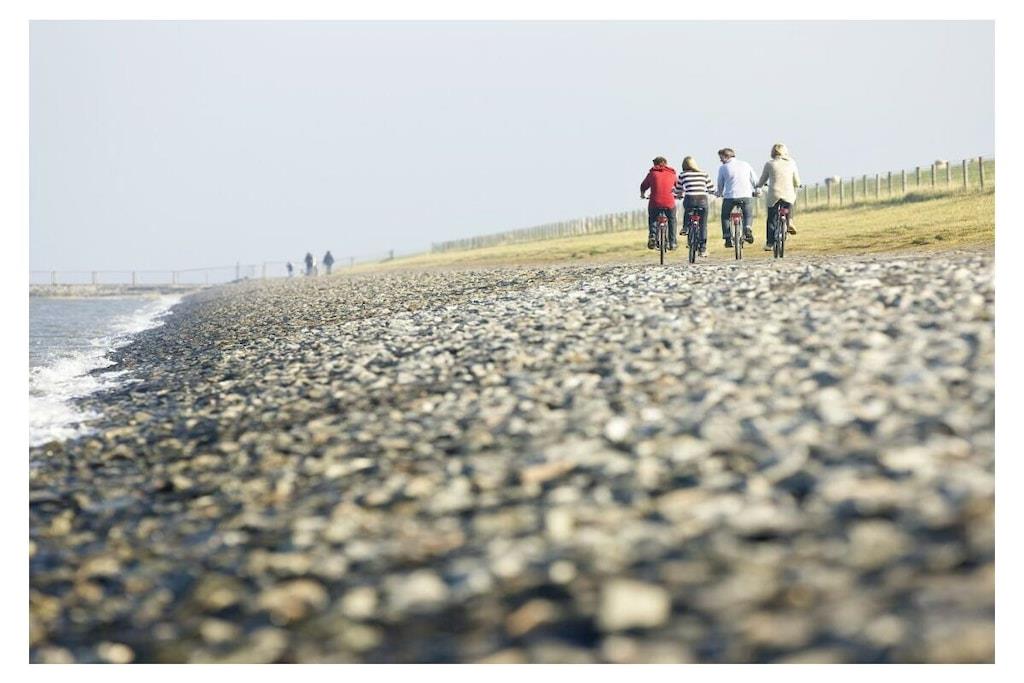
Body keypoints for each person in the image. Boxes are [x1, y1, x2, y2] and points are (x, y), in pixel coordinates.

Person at [756, 143, 802, 250]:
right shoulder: (791, 163)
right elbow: (796, 180)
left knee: (771, 218)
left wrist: (758, 185)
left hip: (774, 193)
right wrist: (798, 185)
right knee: (789, 203)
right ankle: (789, 221)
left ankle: (770, 243)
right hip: (788, 193)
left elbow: (763, 179)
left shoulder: (769, 164)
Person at [673, 156, 716, 257]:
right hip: (702, 200)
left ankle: (685, 228)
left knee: (688, 211)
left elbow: (678, 189)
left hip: (690, 200)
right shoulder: (704, 174)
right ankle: (703, 249)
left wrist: (677, 194)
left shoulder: (683, 175)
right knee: (703, 225)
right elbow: (712, 189)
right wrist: (710, 191)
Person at [716, 148, 758, 248]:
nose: (720, 160)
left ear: (726, 156)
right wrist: (758, 190)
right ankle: (747, 228)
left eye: (721, 158)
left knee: (725, 216)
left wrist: (719, 193)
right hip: (746, 195)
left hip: (730, 197)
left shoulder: (723, 168)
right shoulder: (746, 164)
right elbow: (755, 180)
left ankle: (727, 238)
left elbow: (720, 184)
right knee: (748, 214)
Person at [640, 156, 679, 250]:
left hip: (655, 202)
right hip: (669, 202)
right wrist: (678, 194)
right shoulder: (672, 173)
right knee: (672, 219)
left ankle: (653, 236)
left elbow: (643, 185)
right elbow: (678, 186)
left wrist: (642, 194)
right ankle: (672, 242)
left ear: (655, 164)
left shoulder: (652, 173)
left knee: (653, 218)